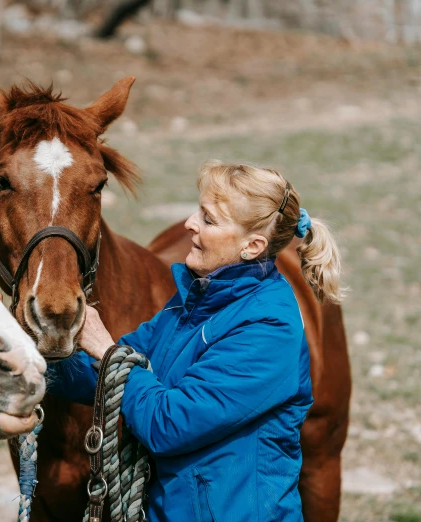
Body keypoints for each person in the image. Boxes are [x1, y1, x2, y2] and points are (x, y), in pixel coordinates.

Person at [48, 161, 343, 522]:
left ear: (252, 246)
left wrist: (106, 349)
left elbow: (169, 425)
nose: (190, 223)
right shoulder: (193, 302)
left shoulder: (268, 327)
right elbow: (106, 374)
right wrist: (30, 363)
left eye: (209, 219)